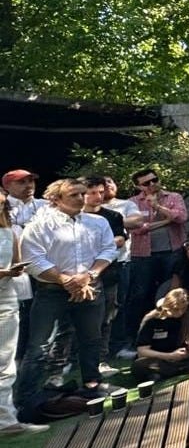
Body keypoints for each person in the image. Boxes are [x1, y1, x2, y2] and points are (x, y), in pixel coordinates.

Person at [16, 179, 117, 413]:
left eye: (83, 193)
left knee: (91, 338)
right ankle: (27, 397)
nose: (81, 198)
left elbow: (109, 250)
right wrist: (66, 280)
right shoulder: (39, 226)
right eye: (74, 195)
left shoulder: (98, 222)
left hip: (90, 286)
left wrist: (89, 276)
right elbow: (33, 259)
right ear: (55, 198)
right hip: (51, 291)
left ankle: (92, 384)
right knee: (40, 346)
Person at [43, 176, 128, 385]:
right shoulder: (53, 222)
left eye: (101, 192)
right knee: (65, 328)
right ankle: (57, 370)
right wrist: (71, 280)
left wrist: (92, 272)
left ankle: (98, 364)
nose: (97, 196)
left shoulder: (111, 216)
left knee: (103, 323)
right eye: (90, 193)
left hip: (105, 277)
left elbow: (116, 242)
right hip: (68, 282)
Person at [125, 168, 188, 360]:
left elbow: (181, 217)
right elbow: (136, 229)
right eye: (146, 183)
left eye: (154, 180)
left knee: (170, 293)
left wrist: (158, 207)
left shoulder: (173, 197)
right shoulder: (132, 203)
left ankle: (174, 335)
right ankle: (138, 338)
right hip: (143, 255)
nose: (152, 184)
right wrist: (166, 221)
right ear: (138, 186)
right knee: (141, 295)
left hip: (172, 252)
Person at [0, 197, 49, 435]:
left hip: (6, 299)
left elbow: (17, 263)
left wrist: (15, 269)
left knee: (5, 362)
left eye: (2, 203)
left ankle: (6, 420)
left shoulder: (9, 232)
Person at [4, 169, 47, 366]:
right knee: (19, 316)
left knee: (42, 318)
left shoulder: (46, 206)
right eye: (21, 182)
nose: (29, 185)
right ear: (7, 186)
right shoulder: (3, 206)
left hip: (44, 268)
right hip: (15, 271)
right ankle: (17, 358)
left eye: (31, 181)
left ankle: (38, 359)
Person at [132, 288, 189, 381]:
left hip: (183, 354)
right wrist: (170, 356)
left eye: (183, 309)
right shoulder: (152, 320)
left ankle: (172, 370)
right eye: (176, 309)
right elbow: (142, 351)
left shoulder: (188, 313)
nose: (180, 312)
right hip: (160, 357)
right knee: (139, 365)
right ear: (167, 306)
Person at [101, 176, 143, 360]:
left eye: (111, 182)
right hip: (92, 264)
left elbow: (137, 222)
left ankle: (118, 346)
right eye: (103, 184)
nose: (108, 186)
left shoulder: (125, 205)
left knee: (119, 305)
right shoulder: (86, 208)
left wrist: (110, 221)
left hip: (121, 261)